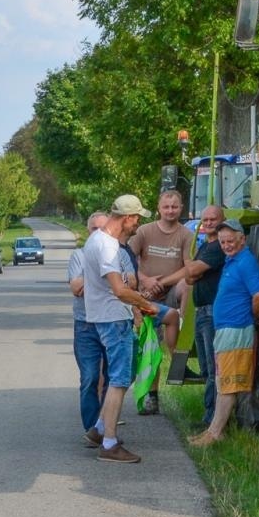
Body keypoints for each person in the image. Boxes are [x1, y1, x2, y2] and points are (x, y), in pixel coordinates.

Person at [82, 194, 159, 463]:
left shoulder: (97, 240)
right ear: (126, 218)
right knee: (119, 380)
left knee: (118, 377)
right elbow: (119, 290)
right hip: (113, 318)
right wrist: (147, 305)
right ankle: (110, 444)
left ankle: (99, 430)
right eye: (136, 218)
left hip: (105, 317)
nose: (137, 223)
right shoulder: (107, 247)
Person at [189, 218, 259, 447]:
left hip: (236, 329)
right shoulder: (232, 260)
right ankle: (213, 430)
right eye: (222, 242)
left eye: (230, 241)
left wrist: (253, 317)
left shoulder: (245, 262)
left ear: (242, 239)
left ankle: (215, 434)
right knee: (224, 381)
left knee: (228, 384)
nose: (226, 245)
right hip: (226, 330)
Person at [130, 189, 189, 413]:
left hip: (171, 290)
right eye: (166, 206)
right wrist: (145, 280)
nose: (170, 210)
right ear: (159, 208)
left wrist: (162, 282)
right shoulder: (144, 231)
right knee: (149, 347)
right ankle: (151, 396)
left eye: (175, 207)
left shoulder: (185, 234)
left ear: (181, 209)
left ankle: (178, 357)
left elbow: (188, 267)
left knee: (188, 285)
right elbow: (129, 259)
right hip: (145, 295)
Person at [171, 205, 225, 426]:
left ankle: (211, 419)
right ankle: (208, 412)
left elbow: (191, 273)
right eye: (205, 219)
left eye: (213, 219)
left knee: (213, 369)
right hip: (202, 311)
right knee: (205, 367)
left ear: (222, 220)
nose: (209, 223)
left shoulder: (218, 247)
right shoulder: (206, 246)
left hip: (213, 311)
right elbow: (191, 278)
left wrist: (192, 268)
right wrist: (193, 270)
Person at [67, 210, 108, 438]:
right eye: (94, 229)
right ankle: (92, 429)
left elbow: (129, 283)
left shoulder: (117, 254)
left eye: (103, 228)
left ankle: (105, 423)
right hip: (86, 323)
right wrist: (108, 280)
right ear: (87, 231)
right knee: (91, 376)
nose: (99, 233)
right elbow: (77, 289)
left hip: (112, 322)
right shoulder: (79, 256)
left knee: (113, 377)